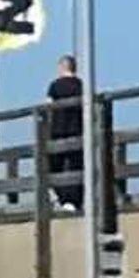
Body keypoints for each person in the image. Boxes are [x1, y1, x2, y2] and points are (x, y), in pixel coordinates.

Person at [44, 56, 83, 211]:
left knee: (55, 167)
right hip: (78, 130)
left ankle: (62, 198)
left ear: (61, 67)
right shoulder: (81, 85)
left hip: (58, 130)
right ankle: (75, 201)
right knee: (77, 166)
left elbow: (48, 106)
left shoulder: (54, 86)